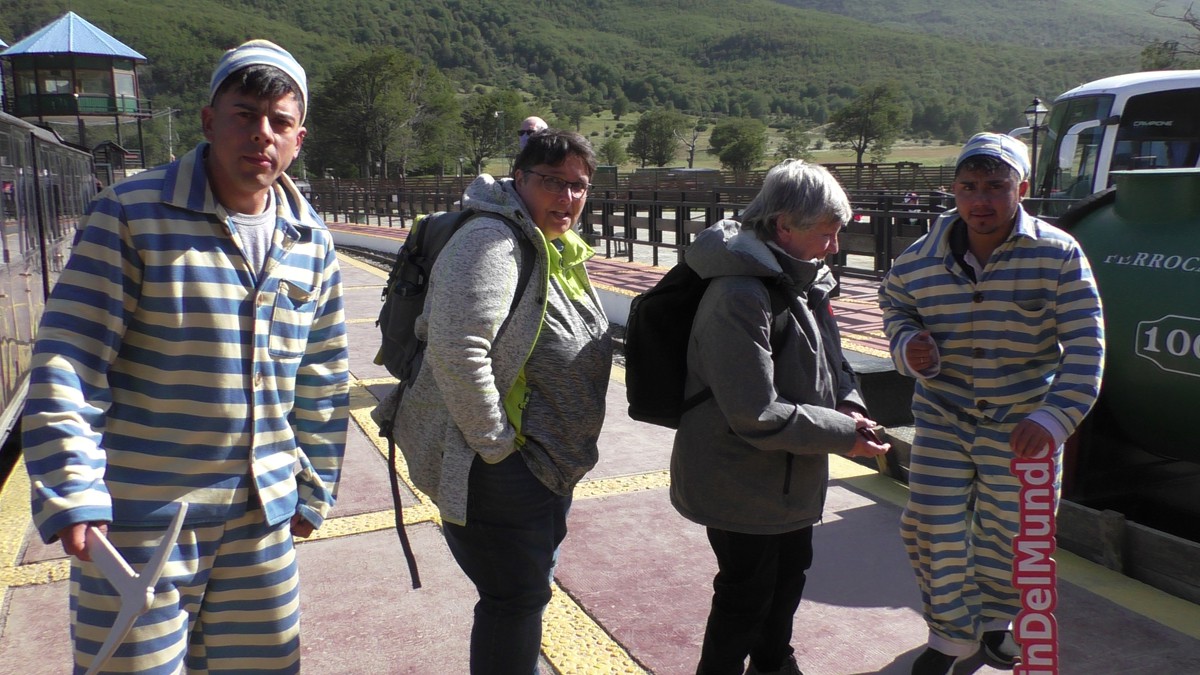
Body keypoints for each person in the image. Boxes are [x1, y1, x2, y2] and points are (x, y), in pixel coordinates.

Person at [22, 39, 349, 674]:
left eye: (279, 122)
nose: (262, 134)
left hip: (261, 516)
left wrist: (313, 488)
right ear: (208, 120)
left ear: (298, 139)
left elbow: (323, 373)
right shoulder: (132, 213)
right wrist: (72, 488)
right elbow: (70, 357)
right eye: (244, 114)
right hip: (138, 521)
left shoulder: (311, 238)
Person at [877, 133, 1104, 675]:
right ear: (954, 190)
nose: (981, 200)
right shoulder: (918, 260)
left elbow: (1087, 345)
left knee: (1014, 533)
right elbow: (896, 307)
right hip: (943, 417)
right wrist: (908, 346)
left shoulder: (1058, 255)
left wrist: (1052, 418)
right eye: (968, 187)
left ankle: (997, 622)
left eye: (996, 186)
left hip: (1022, 422)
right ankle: (950, 637)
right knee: (931, 526)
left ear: (1021, 189)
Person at [388, 129, 612, 674]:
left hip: (542, 465)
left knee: (525, 594)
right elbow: (459, 350)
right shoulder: (491, 241)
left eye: (579, 186)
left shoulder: (550, 242)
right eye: (552, 181)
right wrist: (497, 448)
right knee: (514, 600)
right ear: (519, 178)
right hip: (502, 468)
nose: (567, 197)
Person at [671, 159, 890, 675]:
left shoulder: (805, 279)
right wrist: (844, 435)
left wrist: (851, 405)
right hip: (739, 479)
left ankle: (774, 663)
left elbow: (833, 361)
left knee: (789, 579)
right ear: (783, 225)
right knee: (745, 597)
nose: (833, 246)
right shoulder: (739, 294)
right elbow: (754, 412)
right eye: (826, 233)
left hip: (792, 474)